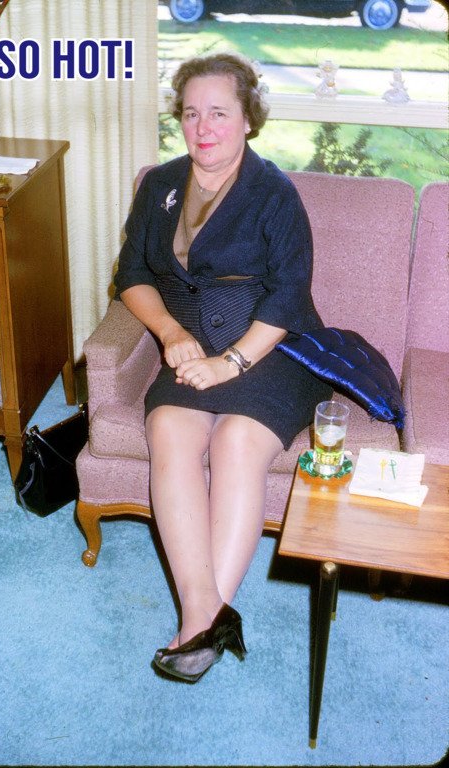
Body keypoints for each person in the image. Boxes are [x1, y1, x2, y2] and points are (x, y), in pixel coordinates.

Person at [113, 52, 332, 682]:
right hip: (191, 347)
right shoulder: (160, 184)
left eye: (218, 113)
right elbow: (132, 275)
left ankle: (196, 626)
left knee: (236, 441)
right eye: (191, 113)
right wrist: (171, 333)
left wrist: (229, 363)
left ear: (247, 119)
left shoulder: (274, 193)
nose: (202, 127)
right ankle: (207, 616)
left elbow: (288, 298)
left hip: (270, 349)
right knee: (169, 431)